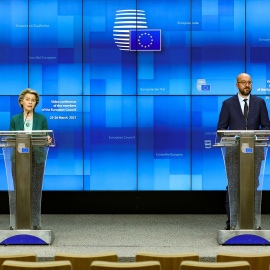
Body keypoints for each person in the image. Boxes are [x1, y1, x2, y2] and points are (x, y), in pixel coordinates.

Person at [217, 73, 270, 230]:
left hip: (255, 152)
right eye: (243, 82)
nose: (247, 85)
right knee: (233, 186)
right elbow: (221, 128)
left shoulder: (260, 103)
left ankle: (253, 224)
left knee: (252, 186)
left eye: (249, 82)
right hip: (233, 153)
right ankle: (232, 224)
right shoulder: (228, 104)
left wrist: (255, 136)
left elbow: (266, 126)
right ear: (237, 85)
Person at [9, 88, 51, 230]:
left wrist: (48, 139)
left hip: (37, 158)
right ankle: (18, 223)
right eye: (28, 99)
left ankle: (35, 223)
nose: (30, 102)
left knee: (35, 190)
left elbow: (46, 137)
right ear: (21, 101)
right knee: (19, 191)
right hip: (19, 159)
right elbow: (10, 139)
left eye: (33, 100)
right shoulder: (15, 119)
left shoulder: (42, 118)